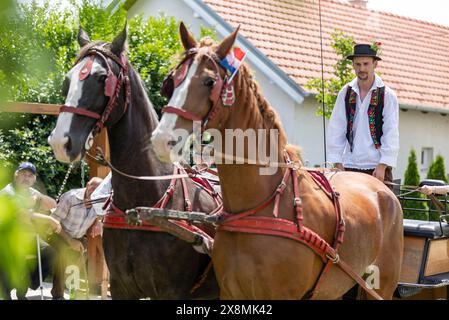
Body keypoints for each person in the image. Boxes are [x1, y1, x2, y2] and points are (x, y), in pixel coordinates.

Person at [327, 43, 399, 185]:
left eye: (366, 64)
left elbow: (391, 132)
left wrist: (383, 165)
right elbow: (336, 128)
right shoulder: (345, 93)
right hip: (349, 166)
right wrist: (337, 161)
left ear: (375, 64)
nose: (362, 69)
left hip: (377, 167)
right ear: (353, 65)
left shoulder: (387, 95)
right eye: (358, 64)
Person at [0, 161, 58, 300]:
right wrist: (49, 219)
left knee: (50, 253)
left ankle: (24, 286)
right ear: (16, 175)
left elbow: (52, 204)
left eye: (30, 176)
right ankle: (6, 292)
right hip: (7, 235)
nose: (26, 178)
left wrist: (39, 197)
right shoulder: (7, 192)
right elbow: (22, 215)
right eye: (23, 174)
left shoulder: (32, 192)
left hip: (27, 236)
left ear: (34, 179)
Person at [47, 176, 105, 299]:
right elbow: (53, 222)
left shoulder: (100, 200)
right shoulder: (71, 198)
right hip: (58, 233)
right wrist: (69, 240)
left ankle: (73, 290)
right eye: (93, 187)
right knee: (63, 254)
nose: (95, 192)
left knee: (80, 255)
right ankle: (57, 295)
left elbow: (102, 214)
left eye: (98, 190)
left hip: (78, 237)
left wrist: (98, 222)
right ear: (88, 185)